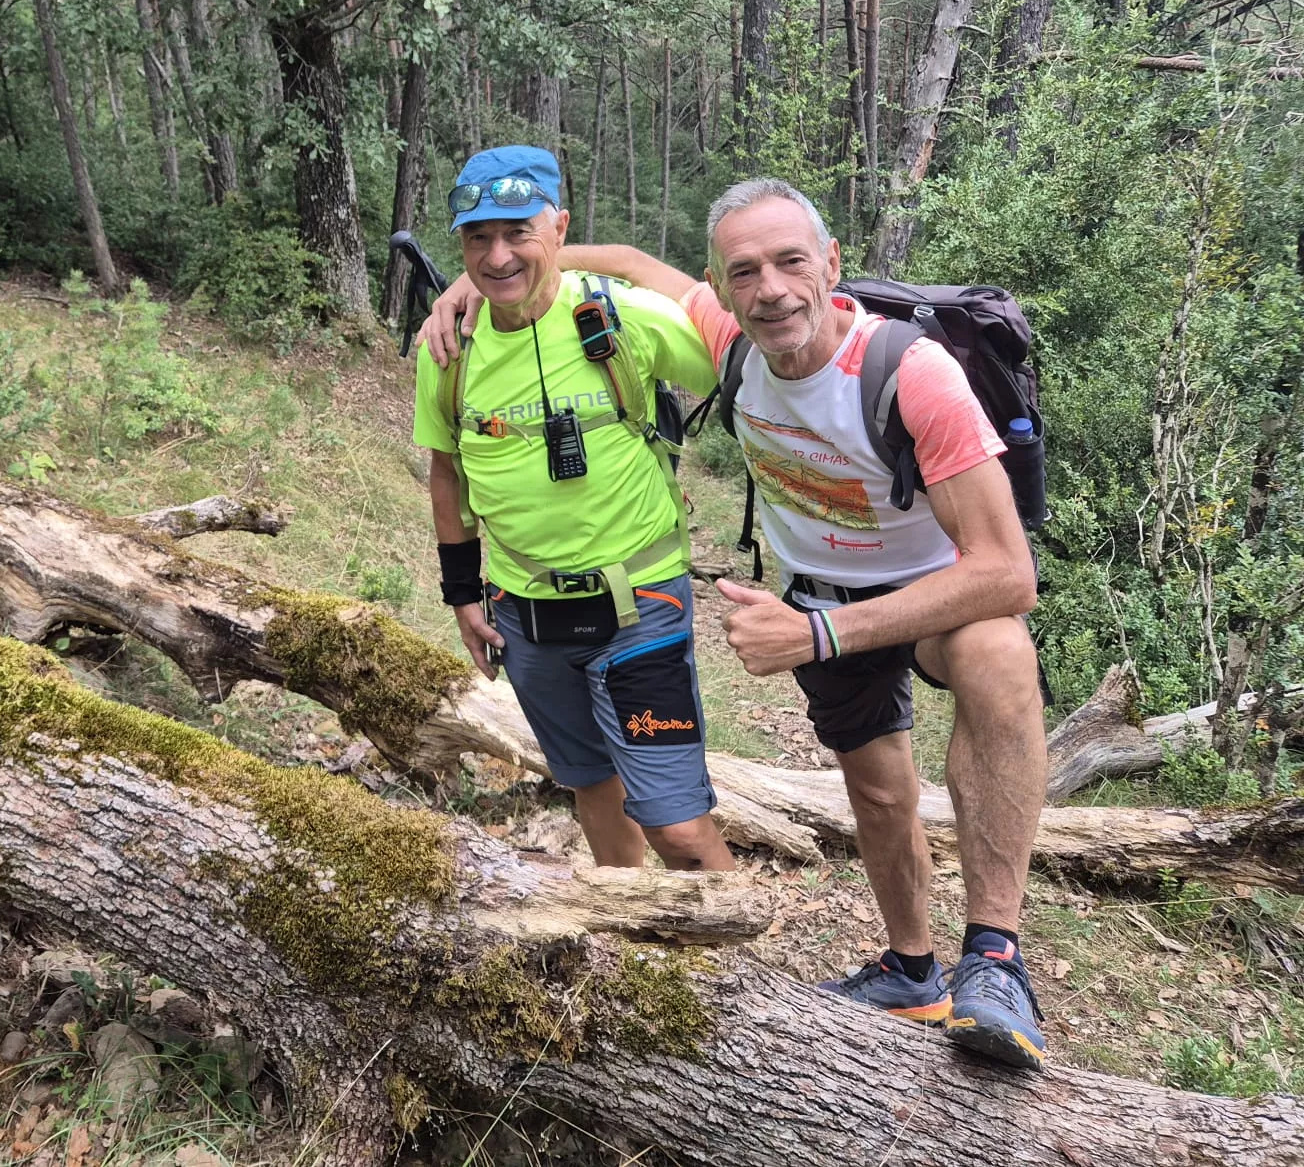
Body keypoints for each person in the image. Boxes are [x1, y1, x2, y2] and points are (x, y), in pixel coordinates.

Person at [420, 176, 1049, 1069]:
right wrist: (474, 282)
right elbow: (632, 261)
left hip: (930, 591)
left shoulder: (911, 372)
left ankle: (995, 957)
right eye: (744, 271)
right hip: (824, 589)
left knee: (997, 653)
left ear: (831, 264)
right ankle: (914, 971)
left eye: (793, 262)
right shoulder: (731, 339)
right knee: (876, 792)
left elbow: (1006, 573)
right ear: (719, 288)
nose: (773, 289)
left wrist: (816, 636)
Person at [414, 144, 734, 873]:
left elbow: (741, 349)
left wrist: (620, 256)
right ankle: (637, 949)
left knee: (677, 827)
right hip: (525, 616)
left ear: (558, 226)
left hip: (641, 603)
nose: (497, 257)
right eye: (477, 238)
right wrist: (463, 593)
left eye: (517, 232)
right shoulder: (449, 349)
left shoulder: (624, 315)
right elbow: (447, 475)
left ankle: (756, 973)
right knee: (591, 785)